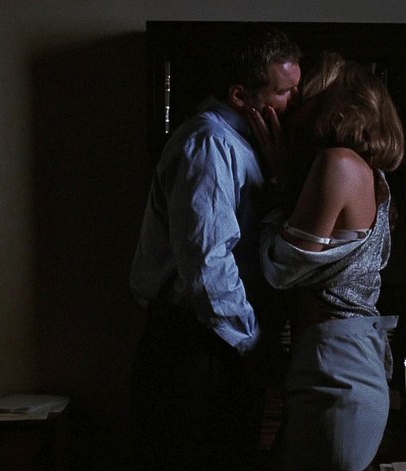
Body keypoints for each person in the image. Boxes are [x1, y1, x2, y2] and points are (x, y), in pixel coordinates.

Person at [128, 24, 301, 471]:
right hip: (196, 348)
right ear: (240, 96)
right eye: (284, 91)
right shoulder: (209, 144)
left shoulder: (241, 144)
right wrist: (253, 345)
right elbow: (208, 267)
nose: (295, 100)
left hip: (212, 344)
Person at [252, 51, 405, 471]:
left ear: (334, 102)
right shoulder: (364, 170)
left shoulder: (338, 162)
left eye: (303, 94)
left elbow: (281, 268)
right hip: (333, 364)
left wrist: (276, 184)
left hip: (337, 368)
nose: (291, 103)